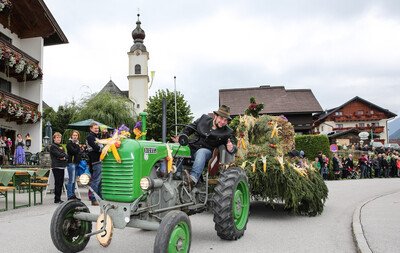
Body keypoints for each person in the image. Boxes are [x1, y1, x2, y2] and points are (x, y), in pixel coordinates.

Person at [172, 105, 236, 188]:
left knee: (201, 152)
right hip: (192, 148)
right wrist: (182, 136)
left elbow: (234, 146)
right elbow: (189, 129)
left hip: (208, 154)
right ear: (215, 116)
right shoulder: (203, 119)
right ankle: (176, 174)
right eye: (221, 118)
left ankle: (192, 179)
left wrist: (231, 147)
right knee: (179, 148)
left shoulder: (227, 132)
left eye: (225, 120)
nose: (223, 122)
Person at [86, 122, 103, 206]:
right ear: (91, 128)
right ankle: (93, 198)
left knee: (100, 181)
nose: (97, 129)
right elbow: (96, 148)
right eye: (95, 128)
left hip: (99, 161)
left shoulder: (96, 137)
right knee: (96, 181)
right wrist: (103, 149)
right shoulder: (90, 137)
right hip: (95, 161)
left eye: (97, 128)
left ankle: (99, 197)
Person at [50, 132, 68, 204]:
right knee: (58, 183)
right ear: (54, 139)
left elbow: (65, 155)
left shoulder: (61, 146)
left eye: (59, 137)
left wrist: (63, 157)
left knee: (60, 183)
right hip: (56, 166)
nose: (58, 139)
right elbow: (58, 155)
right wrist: (63, 156)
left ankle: (58, 198)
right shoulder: (53, 146)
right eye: (57, 137)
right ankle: (57, 199)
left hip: (62, 166)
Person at [66, 130, 81, 200]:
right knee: (71, 180)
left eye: (76, 135)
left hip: (76, 163)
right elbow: (73, 151)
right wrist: (78, 146)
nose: (75, 137)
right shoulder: (69, 144)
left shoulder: (77, 144)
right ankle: (70, 195)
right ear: (71, 136)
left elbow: (78, 153)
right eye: (74, 135)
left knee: (74, 180)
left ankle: (73, 194)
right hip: (71, 163)